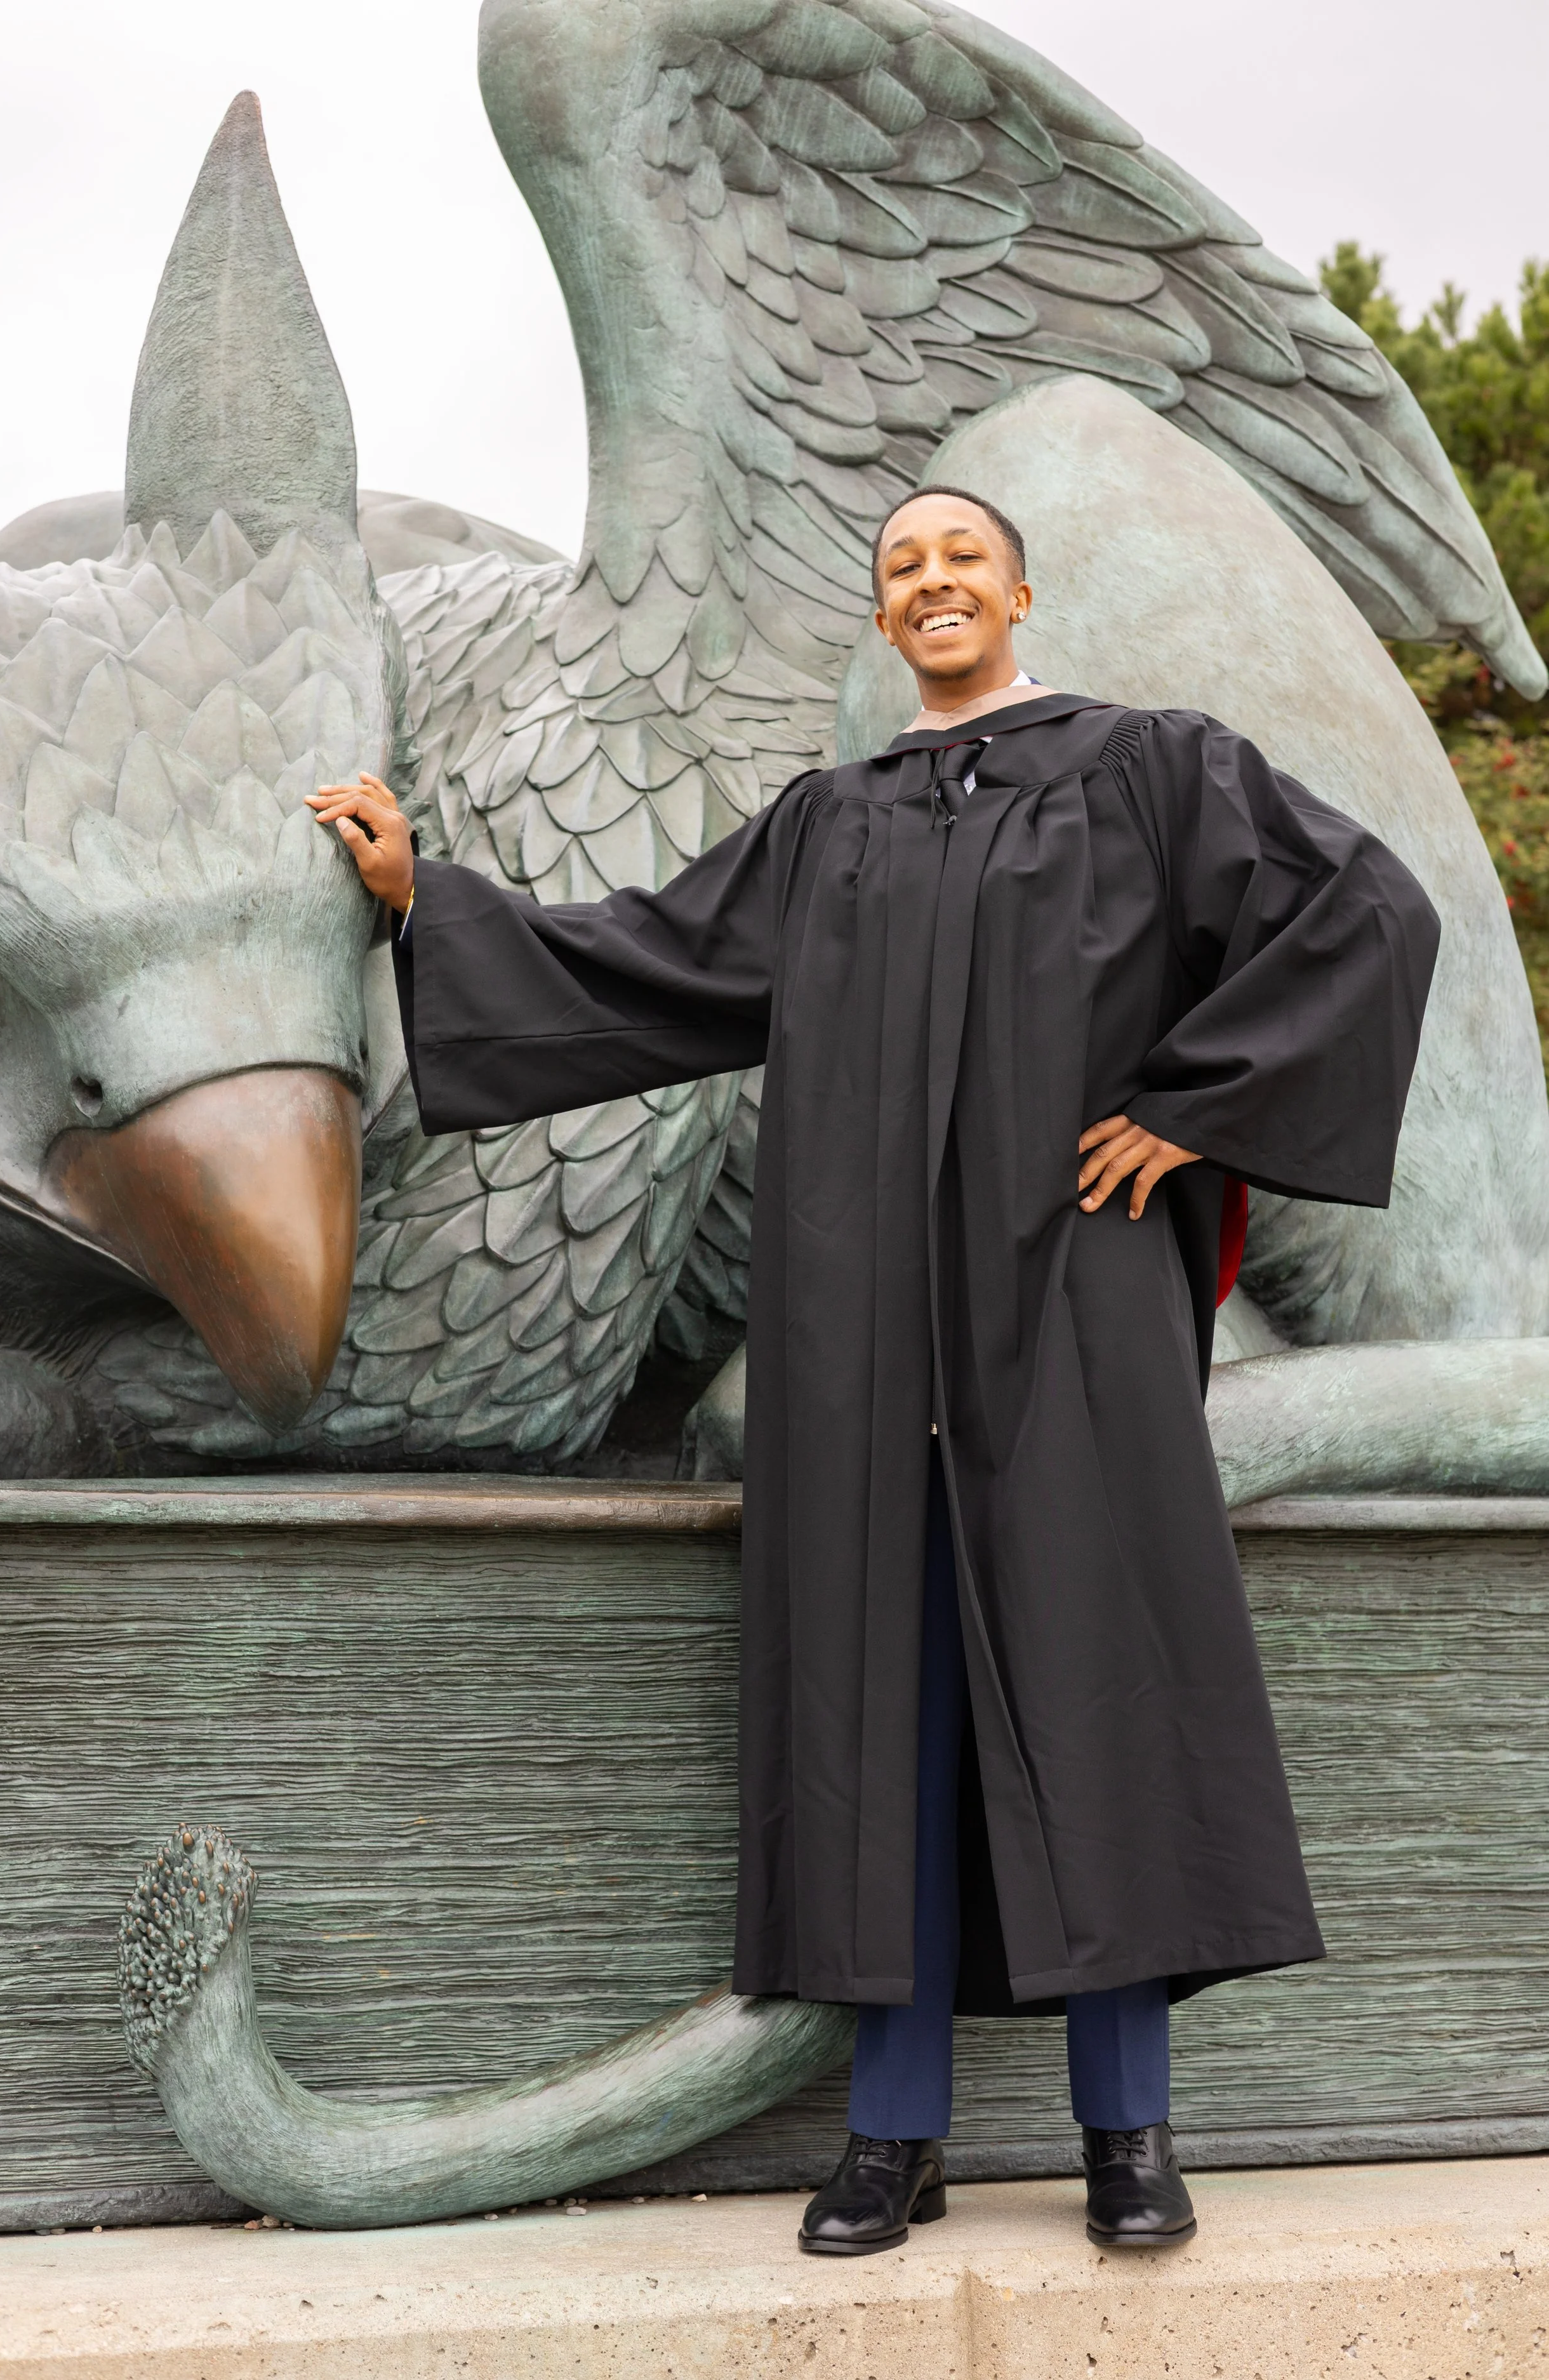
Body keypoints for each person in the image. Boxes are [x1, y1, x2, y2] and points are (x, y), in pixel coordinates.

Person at [309, 486, 1439, 2257]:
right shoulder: (826, 826)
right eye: (900, 564)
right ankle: (885, 2136)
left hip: (1068, 1302)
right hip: (859, 1331)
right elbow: (648, 964)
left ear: (1018, 590)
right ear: (879, 613)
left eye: (959, 557)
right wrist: (417, 901)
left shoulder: (1149, 770)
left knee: (1098, 1687)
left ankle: (1126, 2133)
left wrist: (1188, 1107)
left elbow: (1360, 912)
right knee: (874, 1706)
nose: (930, 580)